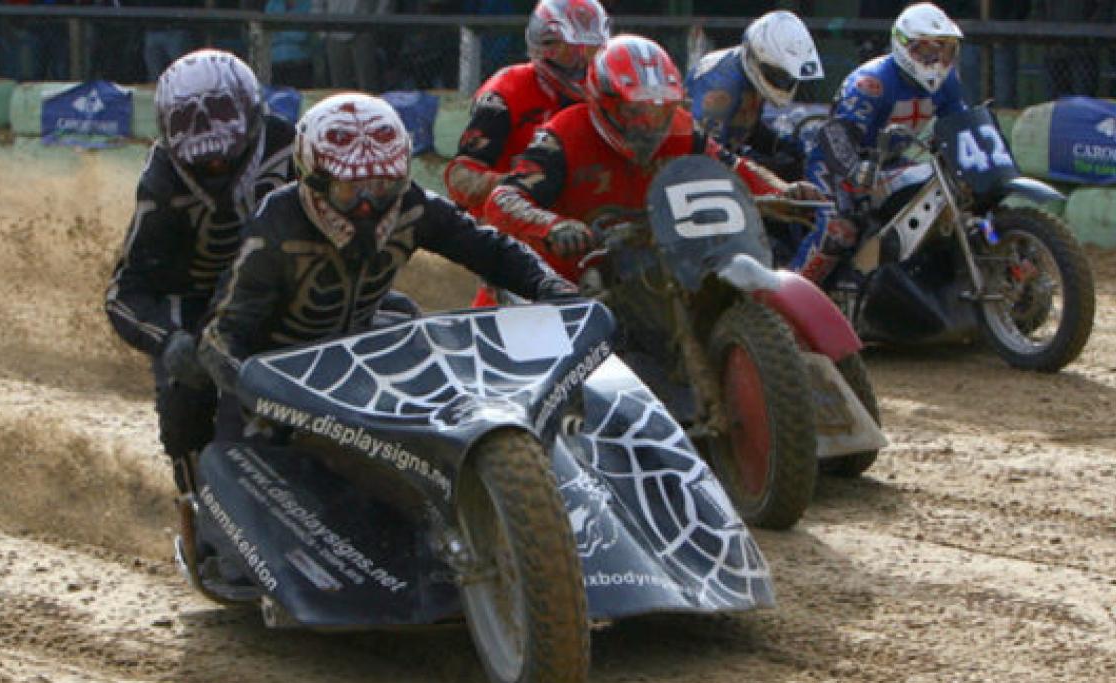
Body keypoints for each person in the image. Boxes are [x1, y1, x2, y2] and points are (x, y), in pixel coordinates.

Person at [198, 93, 577, 401]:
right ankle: (191, 463)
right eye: (351, 190)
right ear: (314, 180)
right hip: (279, 368)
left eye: (382, 186)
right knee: (220, 430)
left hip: (361, 352)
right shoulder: (275, 224)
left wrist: (548, 284)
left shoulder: (413, 204)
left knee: (410, 323)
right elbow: (225, 332)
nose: (368, 206)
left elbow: (488, 248)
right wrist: (252, 386)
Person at [482, 34, 822, 285]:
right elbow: (503, 198)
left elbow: (734, 167)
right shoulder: (563, 135)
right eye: (635, 112)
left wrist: (782, 191)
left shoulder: (681, 129)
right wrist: (553, 226)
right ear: (602, 100)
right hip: (561, 283)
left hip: (650, 270)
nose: (649, 126)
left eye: (661, 112)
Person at [105, 49, 296, 495]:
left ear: (251, 113)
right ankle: (194, 510)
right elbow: (124, 292)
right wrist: (169, 341)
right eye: (188, 121)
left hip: (284, 290)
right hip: (194, 303)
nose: (215, 165)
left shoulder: (294, 149)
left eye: (221, 115)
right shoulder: (161, 185)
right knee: (182, 399)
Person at [444, 0, 610, 305]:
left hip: (592, 235)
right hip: (523, 240)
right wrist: (524, 185)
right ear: (542, 46)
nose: (580, 64)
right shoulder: (506, 91)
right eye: (568, 51)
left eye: (590, 52)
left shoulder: (608, 92)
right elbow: (460, 176)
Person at [797, 2, 968, 284]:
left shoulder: (948, 82)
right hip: (835, 165)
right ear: (903, 45)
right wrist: (855, 173)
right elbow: (836, 136)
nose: (937, 62)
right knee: (838, 231)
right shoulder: (871, 82)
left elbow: (959, 124)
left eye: (946, 51)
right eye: (927, 51)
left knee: (935, 205)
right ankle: (793, 292)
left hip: (889, 162)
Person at [685, 10, 823, 166]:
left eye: (787, 77)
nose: (783, 83)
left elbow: (743, 127)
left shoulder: (747, 74)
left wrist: (777, 145)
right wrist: (762, 165)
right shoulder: (720, 91)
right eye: (777, 75)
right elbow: (704, 155)